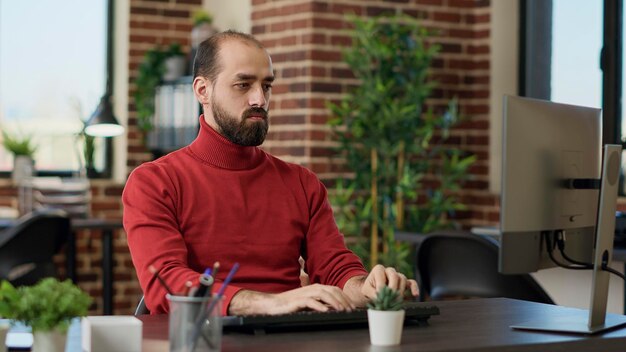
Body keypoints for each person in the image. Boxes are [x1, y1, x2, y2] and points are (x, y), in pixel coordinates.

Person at [123, 30, 418, 316]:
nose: (259, 100)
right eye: (243, 85)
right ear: (203, 90)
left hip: (290, 338)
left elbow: (334, 267)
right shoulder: (154, 182)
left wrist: (366, 287)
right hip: (204, 339)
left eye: (266, 86)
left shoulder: (302, 183)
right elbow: (166, 283)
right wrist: (269, 303)